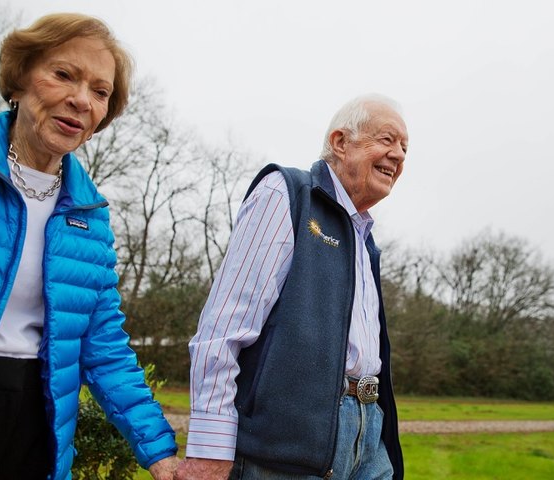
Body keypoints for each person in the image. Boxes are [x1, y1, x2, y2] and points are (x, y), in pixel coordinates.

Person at [0, 13, 178, 480]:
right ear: (18, 80)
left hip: (32, 431)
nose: (81, 99)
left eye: (100, 92)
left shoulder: (88, 214)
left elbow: (104, 348)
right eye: (63, 74)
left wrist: (161, 456)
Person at [174, 94, 408, 480]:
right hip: (286, 452)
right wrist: (210, 450)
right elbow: (222, 331)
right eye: (386, 139)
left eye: (404, 146)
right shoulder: (287, 193)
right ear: (340, 142)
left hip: (369, 440)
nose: (398, 154)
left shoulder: (367, 241)